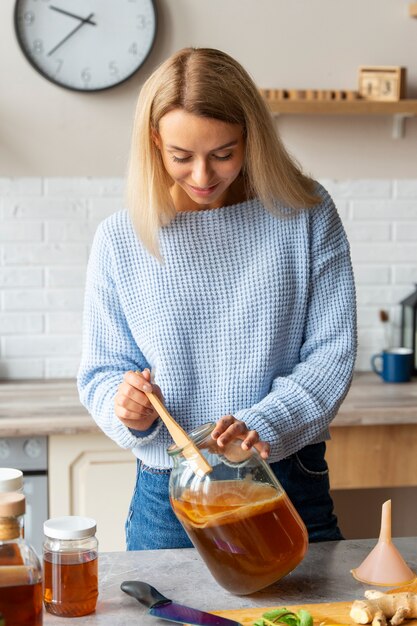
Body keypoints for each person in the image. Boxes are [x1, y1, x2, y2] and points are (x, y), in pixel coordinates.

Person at [77, 47, 357, 551]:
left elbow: (331, 357)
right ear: (155, 143)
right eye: (181, 157)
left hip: (287, 480)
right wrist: (127, 409)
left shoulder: (305, 215)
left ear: (253, 138)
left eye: (223, 154)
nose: (203, 177)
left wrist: (261, 423)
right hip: (171, 496)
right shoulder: (121, 239)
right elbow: (102, 372)